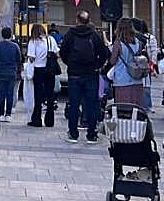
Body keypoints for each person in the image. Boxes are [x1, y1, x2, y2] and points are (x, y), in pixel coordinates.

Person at [59, 10, 108, 143]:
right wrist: (98, 65)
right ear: (89, 20)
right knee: (91, 104)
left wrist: (69, 63)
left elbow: (63, 51)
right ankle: (91, 134)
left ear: (77, 20)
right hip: (91, 73)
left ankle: (73, 133)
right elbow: (104, 52)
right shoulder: (94, 35)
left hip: (74, 74)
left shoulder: (70, 34)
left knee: (74, 104)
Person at [26, 23, 58, 128]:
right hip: (50, 70)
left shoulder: (33, 41)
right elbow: (57, 53)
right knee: (50, 95)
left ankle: (37, 119)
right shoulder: (51, 40)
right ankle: (49, 120)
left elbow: (31, 57)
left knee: (38, 95)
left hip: (38, 69)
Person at [108, 19, 146, 107]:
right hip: (136, 78)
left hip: (122, 79)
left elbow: (112, 61)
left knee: (123, 106)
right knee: (136, 106)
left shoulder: (118, 43)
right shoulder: (138, 43)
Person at [0, 27, 21, 122]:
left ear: (2, 35)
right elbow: (19, 59)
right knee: (10, 94)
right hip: (12, 72)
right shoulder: (15, 46)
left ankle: (0, 114)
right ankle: (8, 114)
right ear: (10, 34)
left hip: (0, 72)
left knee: (1, 94)